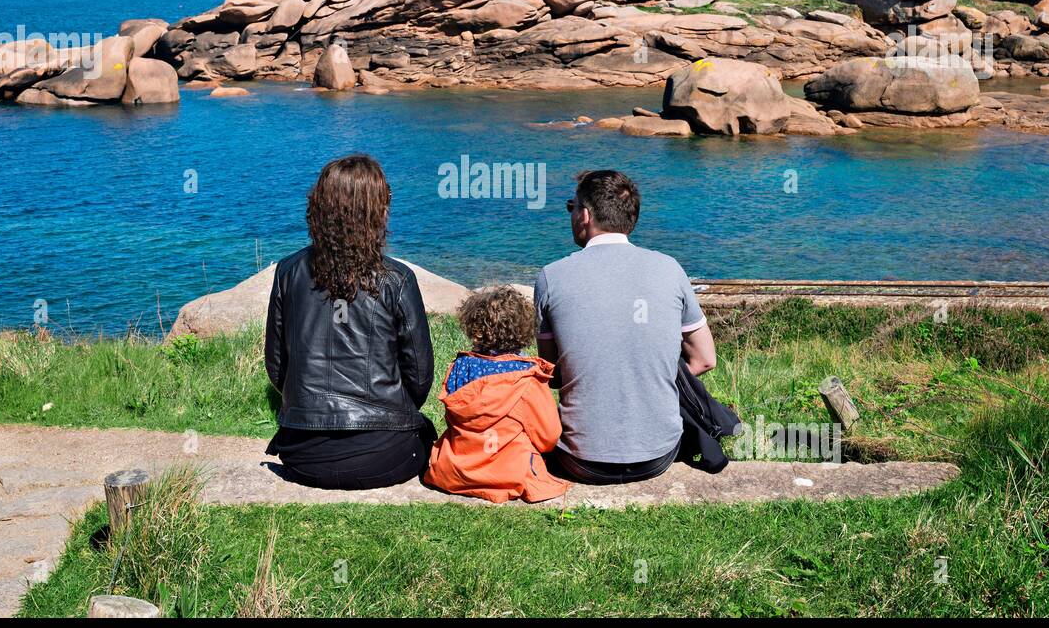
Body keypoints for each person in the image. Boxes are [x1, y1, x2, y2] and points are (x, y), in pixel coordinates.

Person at [264, 154, 437, 490]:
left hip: (303, 453)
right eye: (386, 199)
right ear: (375, 212)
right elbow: (419, 377)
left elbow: (277, 366)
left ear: (320, 208)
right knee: (427, 434)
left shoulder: (288, 271)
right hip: (384, 454)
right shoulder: (397, 279)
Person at [535, 169, 717, 484]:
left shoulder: (552, 276)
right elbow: (704, 359)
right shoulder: (669, 269)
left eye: (572, 207)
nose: (572, 214)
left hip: (580, 459)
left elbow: (550, 369)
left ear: (585, 215)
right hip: (658, 456)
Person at [424, 287, 570, 504]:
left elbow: (454, 421)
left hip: (457, 469)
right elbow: (548, 436)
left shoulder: (460, 368)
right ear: (523, 329)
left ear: (474, 328)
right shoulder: (526, 378)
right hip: (511, 472)